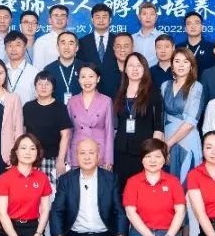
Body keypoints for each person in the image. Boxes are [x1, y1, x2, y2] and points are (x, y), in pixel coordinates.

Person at [113, 53, 165, 188]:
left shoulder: (153, 92)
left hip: (144, 151)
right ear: (125, 69)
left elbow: (158, 126)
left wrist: (153, 153)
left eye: (139, 66)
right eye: (131, 65)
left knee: (142, 188)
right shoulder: (119, 91)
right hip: (121, 151)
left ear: (145, 69)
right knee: (121, 189)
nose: (135, 69)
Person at [162, 48, 204, 183]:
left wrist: (168, 145)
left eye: (185, 62)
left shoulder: (196, 87)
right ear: (172, 65)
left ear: (191, 66)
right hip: (166, 137)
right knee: (168, 182)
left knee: (187, 181)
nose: (181, 65)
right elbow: (161, 117)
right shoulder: (164, 86)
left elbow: (191, 122)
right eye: (177, 61)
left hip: (187, 138)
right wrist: (162, 145)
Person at [23, 72, 73, 184]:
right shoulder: (28, 107)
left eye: (47, 84)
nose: (43, 87)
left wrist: (60, 160)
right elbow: (23, 133)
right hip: (31, 158)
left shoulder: (60, 108)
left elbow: (65, 136)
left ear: (53, 87)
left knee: (52, 191)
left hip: (52, 159)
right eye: (40, 84)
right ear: (35, 86)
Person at [67, 62, 114, 171]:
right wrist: (68, 157)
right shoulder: (72, 102)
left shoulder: (106, 101)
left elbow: (109, 132)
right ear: (79, 79)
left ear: (98, 79)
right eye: (83, 77)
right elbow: (68, 133)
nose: (87, 81)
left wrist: (109, 159)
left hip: (99, 152)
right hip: (78, 152)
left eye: (91, 76)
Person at [41, 31, 83, 105]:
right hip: (55, 110)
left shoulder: (84, 68)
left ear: (76, 48)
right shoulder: (48, 69)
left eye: (71, 43)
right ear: (57, 47)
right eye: (63, 43)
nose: (66, 47)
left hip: (80, 110)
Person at [76, 3, 115, 68]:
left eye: (104, 17)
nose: (101, 20)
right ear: (92, 20)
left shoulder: (117, 40)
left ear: (110, 20)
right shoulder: (82, 42)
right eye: (98, 17)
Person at [4, 31, 40, 103]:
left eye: (18, 45)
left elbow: (39, 98)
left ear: (25, 47)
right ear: (5, 48)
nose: (13, 49)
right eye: (10, 45)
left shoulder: (35, 72)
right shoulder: (0, 71)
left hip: (27, 110)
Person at [33, 5, 70, 70]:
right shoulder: (41, 41)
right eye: (56, 15)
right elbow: (37, 68)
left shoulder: (73, 40)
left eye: (63, 15)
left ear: (67, 20)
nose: (59, 19)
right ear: (50, 20)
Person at [132, 1, 161, 66]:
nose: (148, 17)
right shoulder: (132, 39)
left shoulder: (163, 37)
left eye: (151, 14)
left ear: (156, 17)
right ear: (139, 17)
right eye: (144, 14)